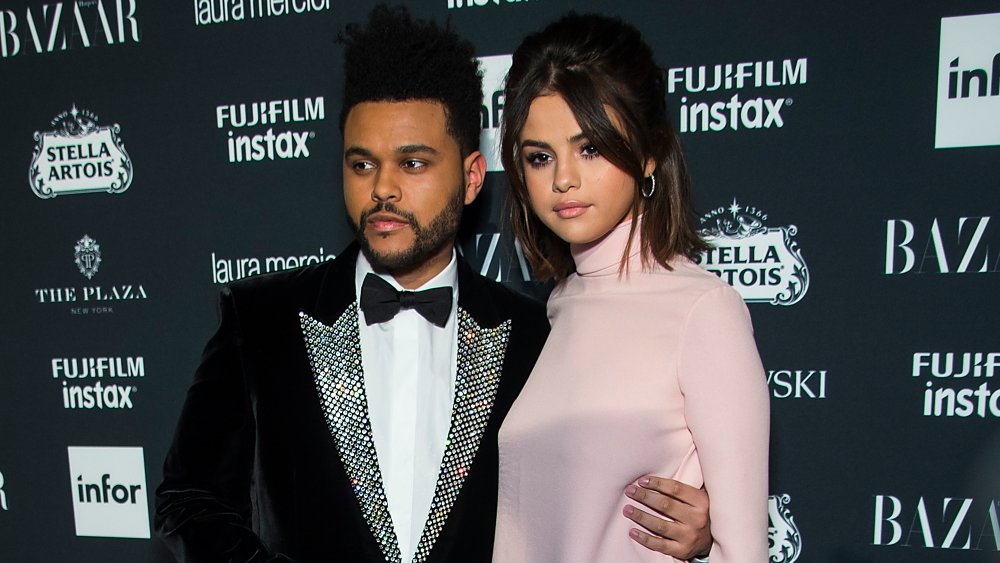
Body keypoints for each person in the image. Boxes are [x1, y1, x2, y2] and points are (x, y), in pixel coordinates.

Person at [155, 6, 712, 563]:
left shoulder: (533, 338)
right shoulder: (259, 323)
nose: (383, 189)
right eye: (361, 165)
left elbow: (587, 503)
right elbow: (186, 504)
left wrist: (694, 528)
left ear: (472, 177)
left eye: (414, 163)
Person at [493, 12, 770, 563]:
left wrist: (708, 533)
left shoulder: (701, 310)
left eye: (590, 148)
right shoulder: (561, 307)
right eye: (539, 157)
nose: (563, 179)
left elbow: (744, 554)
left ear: (647, 153)